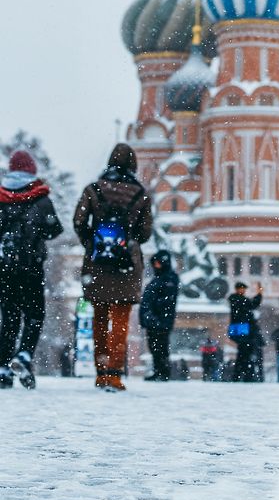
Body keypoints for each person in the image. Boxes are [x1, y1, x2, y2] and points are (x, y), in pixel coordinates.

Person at [74, 143, 152, 391]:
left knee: (99, 317)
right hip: (126, 265)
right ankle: (115, 374)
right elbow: (145, 232)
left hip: (97, 262)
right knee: (120, 320)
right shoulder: (140, 193)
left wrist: (92, 242)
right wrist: (128, 241)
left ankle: (100, 372)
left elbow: (78, 220)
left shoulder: (94, 189)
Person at [0, 150, 63, 390]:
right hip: (31, 268)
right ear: (31, 171)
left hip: (5, 269)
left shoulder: (1, 197)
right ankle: (24, 355)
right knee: (35, 316)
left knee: (9, 318)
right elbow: (54, 230)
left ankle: (3, 368)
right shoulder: (41, 198)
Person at [139, 249, 179, 381]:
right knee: (155, 346)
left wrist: (155, 314)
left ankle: (163, 372)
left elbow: (166, 301)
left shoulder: (168, 278)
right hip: (155, 320)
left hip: (160, 320)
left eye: (157, 263)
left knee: (160, 347)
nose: (155, 266)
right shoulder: (160, 278)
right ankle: (159, 371)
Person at [228, 281, 262, 381]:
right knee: (245, 353)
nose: (244, 291)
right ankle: (244, 375)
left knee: (243, 353)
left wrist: (259, 295)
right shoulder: (238, 299)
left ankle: (240, 375)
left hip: (241, 329)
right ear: (238, 289)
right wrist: (259, 294)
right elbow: (252, 304)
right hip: (242, 330)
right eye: (242, 289)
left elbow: (251, 304)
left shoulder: (237, 299)